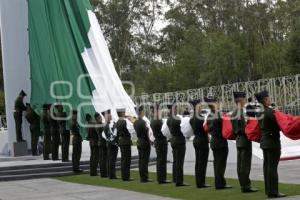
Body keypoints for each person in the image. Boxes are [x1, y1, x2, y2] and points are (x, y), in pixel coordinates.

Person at [255, 90, 286, 198]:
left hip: (265, 141)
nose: (270, 99)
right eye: (269, 98)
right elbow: (278, 125)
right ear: (265, 100)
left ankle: (269, 190)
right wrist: (278, 112)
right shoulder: (269, 111)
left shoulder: (259, 111)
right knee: (272, 168)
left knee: (267, 167)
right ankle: (274, 192)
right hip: (272, 142)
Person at [232, 92, 258, 193]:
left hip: (238, 139)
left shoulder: (234, 112)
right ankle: (246, 185)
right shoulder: (241, 112)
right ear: (241, 100)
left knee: (240, 164)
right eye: (244, 99)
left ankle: (242, 183)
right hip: (244, 139)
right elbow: (244, 127)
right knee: (245, 164)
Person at [206, 96, 231, 190]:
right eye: (217, 102)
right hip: (220, 141)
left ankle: (220, 182)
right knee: (221, 164)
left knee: (217, 163)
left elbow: (208, 128)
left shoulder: (209, 116)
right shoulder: (219, 115)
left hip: (214, 141)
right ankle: (220, 184)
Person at [190, 100, 210, 188]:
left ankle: (198, 181)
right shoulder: (200, 118)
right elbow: (205, 128)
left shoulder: (192, 118)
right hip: (202, 140)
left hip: (196, 139)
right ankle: (201, 182)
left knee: (198, 162)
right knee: (202, 162)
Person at [167, 103, 188, 187]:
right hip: (179, 141)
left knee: (175, 161)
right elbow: (182, 130)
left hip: (173, 140)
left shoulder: (169, 120)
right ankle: (179, 181)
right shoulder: (178, 120)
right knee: (179, 162)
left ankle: (175, 178)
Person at [150, 105, 171, 184]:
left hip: (158, 141)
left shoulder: (153, 120)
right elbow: (164, 132)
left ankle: (160, 178)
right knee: (162, 160)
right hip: (161, 141)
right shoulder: (158, 121)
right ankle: (162, 179)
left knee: (159, 160)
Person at [116, 108, 135, 181]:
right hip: (126, 141)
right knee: (127, 159)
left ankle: (124, 175)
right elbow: (132, 130)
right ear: (122, 113)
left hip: (121, 141)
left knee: (123, 159)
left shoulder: (117, 122)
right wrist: (132, 120)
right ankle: (126, 176)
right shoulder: (125, 121)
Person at [134, 106, 152, 183]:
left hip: (139, 141)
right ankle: (144, 177)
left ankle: (142, 177)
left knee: (141, 160)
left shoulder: (135, 122)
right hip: (144, 142)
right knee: (144, 161)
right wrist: (149, 141)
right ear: (141, 112)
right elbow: (146, 133)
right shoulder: (143, 122)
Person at [102, 110, 119, 179]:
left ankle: (110, 174)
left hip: (109, 144)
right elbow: (111, 135)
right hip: (112, 144)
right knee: (112, 160)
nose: (111, 116)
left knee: (110, 159)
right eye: (110, 115)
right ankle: (112, 174)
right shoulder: (108, 125)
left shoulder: (106, 125)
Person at [95, 112, 108, 178]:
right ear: (97, 118)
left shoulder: (98, 124)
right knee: (103, 159)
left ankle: (103, 172)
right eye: (100, 118)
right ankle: (104, 173)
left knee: (102, 159)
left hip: (100, 143)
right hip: (102, 143)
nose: (101, 119)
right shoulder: (99, 125)